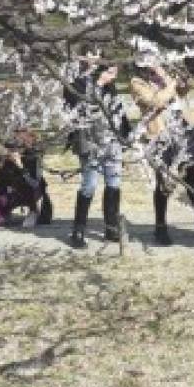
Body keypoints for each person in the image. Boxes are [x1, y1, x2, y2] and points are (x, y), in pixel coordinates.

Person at [130, 57, 194, 245]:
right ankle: (160, 226)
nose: (154, 64)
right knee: (164, 183)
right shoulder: (137, 82)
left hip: (181, 129)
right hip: (160, 136)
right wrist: (169, 82)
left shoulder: (165, 75)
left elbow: (181, 92)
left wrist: (182, 82)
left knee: (191, 177)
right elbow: (155, 101)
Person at [63, 61, 131, 249]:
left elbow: (118, 111)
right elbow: (78, 108)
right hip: (89, 142)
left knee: (114, 183)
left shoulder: (110, 85)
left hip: (112, 141)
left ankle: (111, 227)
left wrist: (125, 136)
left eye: (99, 57)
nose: (96, 61)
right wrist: (99, 84)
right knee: (89, 185)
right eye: (92, 56)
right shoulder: (75, 82)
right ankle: (78, 230)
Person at [0, 131, 53, 231]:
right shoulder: (5, 159)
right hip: (9, 195)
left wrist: (20, 166)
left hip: (31, 194)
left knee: (36, 221)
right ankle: (6, 213)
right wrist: (2, 165)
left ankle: (34, 211)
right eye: (10, 148)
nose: (12, 150)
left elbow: (35, 184)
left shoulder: (32, 158)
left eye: (17, 147)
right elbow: (1, 186)